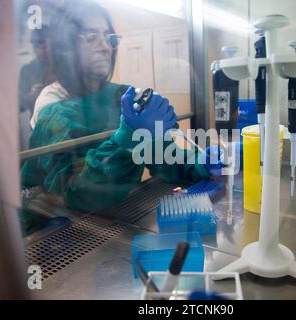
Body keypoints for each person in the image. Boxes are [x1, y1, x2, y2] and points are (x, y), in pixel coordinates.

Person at [21, 0, 223, 213]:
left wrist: (199, 162)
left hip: (113, 213)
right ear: (66, 48)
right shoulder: (52, 107)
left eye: (108, 37)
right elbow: (78, 193)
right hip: (54, 231)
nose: (105, 46)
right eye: (91, 37)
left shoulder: (120, 95)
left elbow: (162, 158)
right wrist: (129, 136)